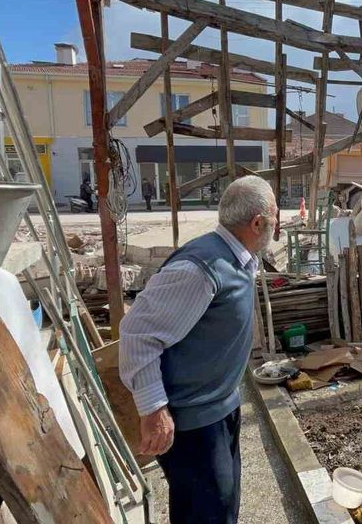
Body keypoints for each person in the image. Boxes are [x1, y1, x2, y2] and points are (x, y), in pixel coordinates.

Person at [119, 176, 278, 524]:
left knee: (222, 506)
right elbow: (137, 334)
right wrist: (153, 410)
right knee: (206, 514)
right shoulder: (201, 268)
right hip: (193, 423)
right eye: (274, 217)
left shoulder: (237, 258)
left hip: (220, 408)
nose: (277, 226)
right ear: (257, 223)